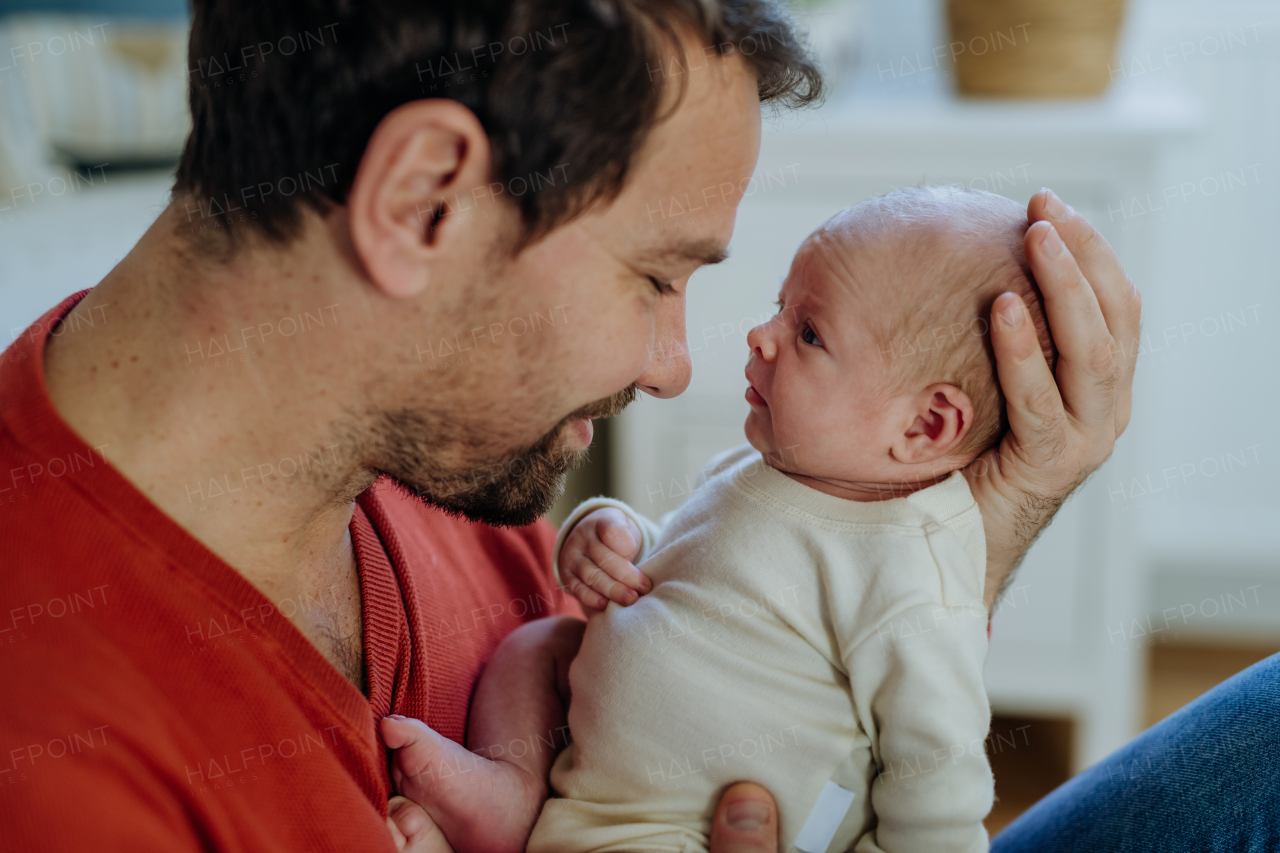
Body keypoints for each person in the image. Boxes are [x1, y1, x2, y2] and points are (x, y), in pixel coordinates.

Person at [0, 1, 1141, 852]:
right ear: (422, 201)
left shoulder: (423, 442)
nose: (673, 363)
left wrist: (983, 519)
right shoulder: (68, 769)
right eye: (654, 278)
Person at [383, 187, 1052, 853]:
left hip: (681, 828)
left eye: (810, 333)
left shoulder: (911, 575)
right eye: (779, 308)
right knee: (539, 645)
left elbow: (939, 779)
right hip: (598, 747)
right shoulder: (767, 464)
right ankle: (512, 789)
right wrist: (611, 534)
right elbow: (676, 556)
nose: (762, 335)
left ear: (926, 424)